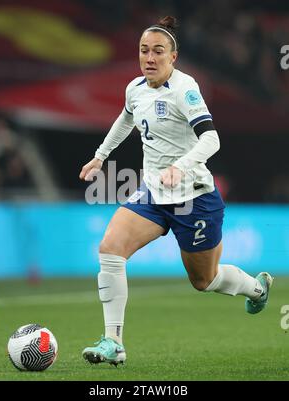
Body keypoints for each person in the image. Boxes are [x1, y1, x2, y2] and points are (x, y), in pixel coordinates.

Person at [79, 16, 273, 366]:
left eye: (157, 52)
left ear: (173, 57)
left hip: (194, 198)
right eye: (143, 51)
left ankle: (256, 289)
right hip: (153, 195)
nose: (149, 58)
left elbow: (211, 138)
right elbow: (125, 118)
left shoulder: (186, 89)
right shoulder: (135, 88)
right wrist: (100, 157)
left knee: (204, 280)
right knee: (110, 248)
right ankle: (113, 341)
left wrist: (178, 167)